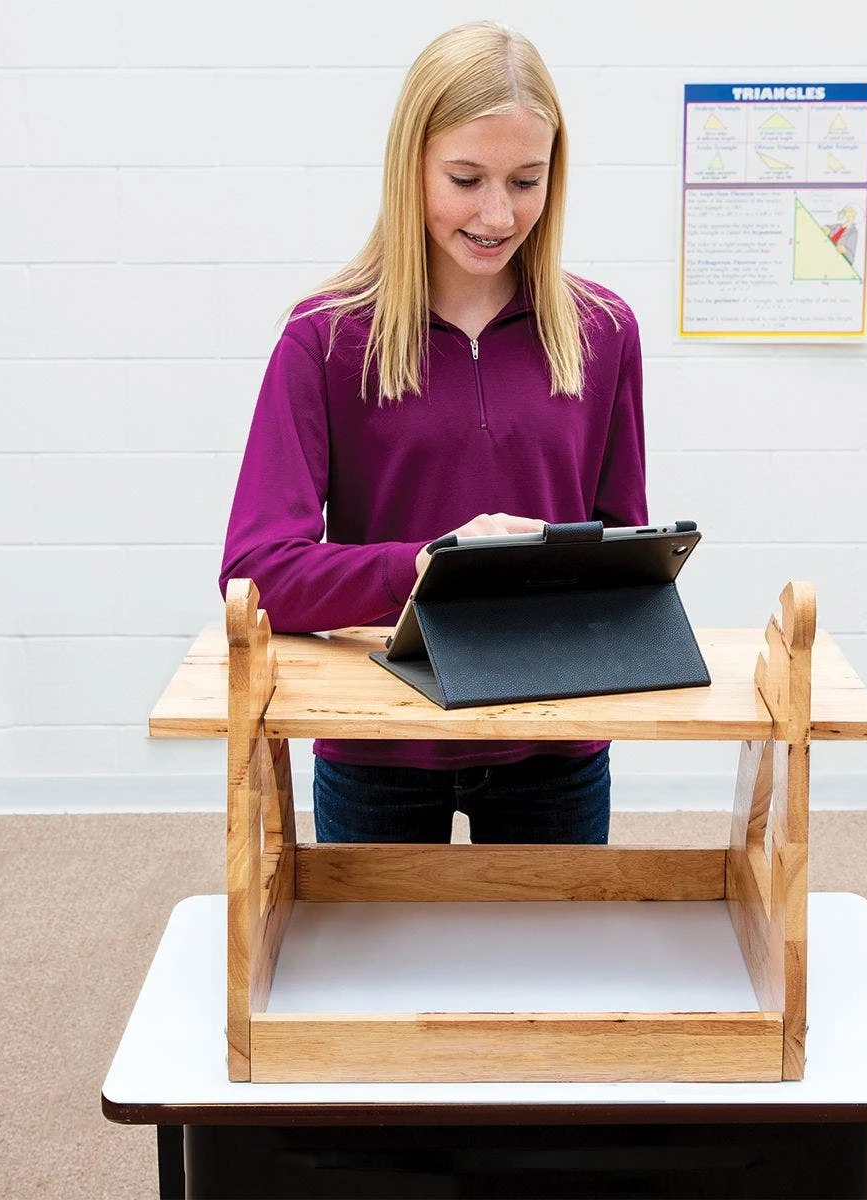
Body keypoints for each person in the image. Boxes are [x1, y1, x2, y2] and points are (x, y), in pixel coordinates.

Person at [219, 21, 648, 846]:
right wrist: (424, 567)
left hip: (553, 744)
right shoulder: (324, 339)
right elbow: (256, 572)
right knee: (374, 939)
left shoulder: (604, 331)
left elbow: (622, 551)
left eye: (526, 181)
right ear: (409, 165)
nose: (498, 213)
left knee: (562, 938)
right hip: (378, 741)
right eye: (465, 178)